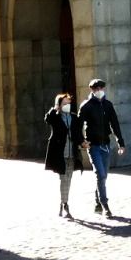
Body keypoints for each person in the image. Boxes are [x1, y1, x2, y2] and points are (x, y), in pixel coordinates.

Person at [78, 77, 125, 216]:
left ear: (103, 88)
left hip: (106, 145)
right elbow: (78, 125)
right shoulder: (86, 106)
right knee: (101, 174)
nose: (98, 90)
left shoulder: (108, 105)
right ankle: (105, 205)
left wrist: (121, 143)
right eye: (96, 88)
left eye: (100, 88)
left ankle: (97, 202)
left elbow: (115, 124)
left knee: (103, 177)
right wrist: (82, 141)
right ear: (92, 90)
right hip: (93, 146)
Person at [42, 90, 86, 219]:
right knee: (64, 179)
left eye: (69, 103)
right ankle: (65, 204)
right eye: (65, 103)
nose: (68, 105)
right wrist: (54, 109)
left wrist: (83, 142)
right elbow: (47, 119)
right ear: (59, 105)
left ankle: (63, 202)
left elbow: (78, 134)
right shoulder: (55, 117)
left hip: (72, 153)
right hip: (60, 153)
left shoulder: (74, 117)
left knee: (69, 179)